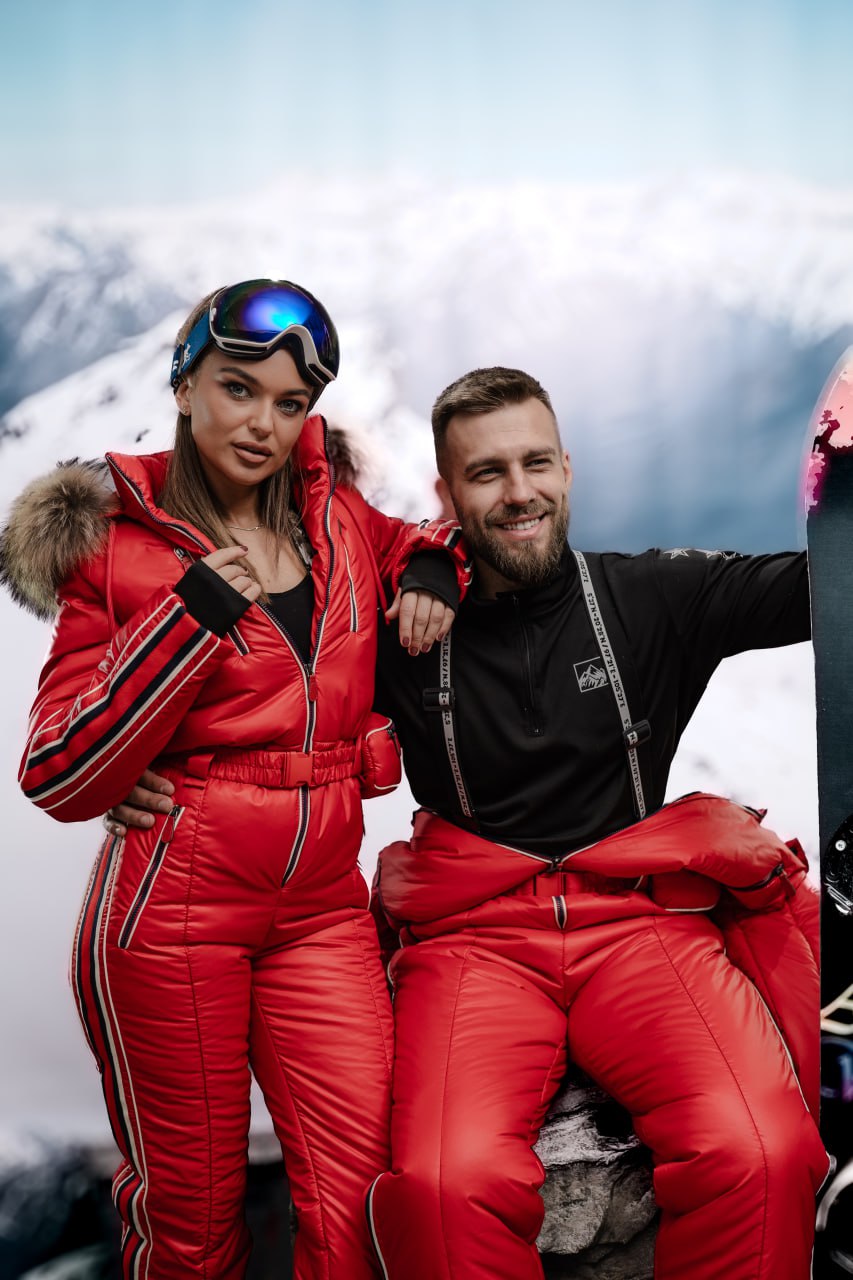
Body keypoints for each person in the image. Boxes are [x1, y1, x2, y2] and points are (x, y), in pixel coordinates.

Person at [105, 365, 829, 1279]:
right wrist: (142, 772)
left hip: (644, 925)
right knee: (443, 1187)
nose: (518, 491)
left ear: (566, 469)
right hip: (471, 939)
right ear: (446, 496)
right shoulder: (397, 627)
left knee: (759, 1150)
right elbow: (263, 700)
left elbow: (821, 586)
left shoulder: (653, 596)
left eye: (535, 464)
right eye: (486, 474)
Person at [0, 279, 466, 1280]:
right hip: (172, 916)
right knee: (191, 1224)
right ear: (184, 384)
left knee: (362, 1198)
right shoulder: (116, 548)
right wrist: (189, 617)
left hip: (321, 910)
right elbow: (56, 768)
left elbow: (428, 541)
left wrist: (429, 569)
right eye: (238, 388)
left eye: (289, 402)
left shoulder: (333, 514)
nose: (262, 422)